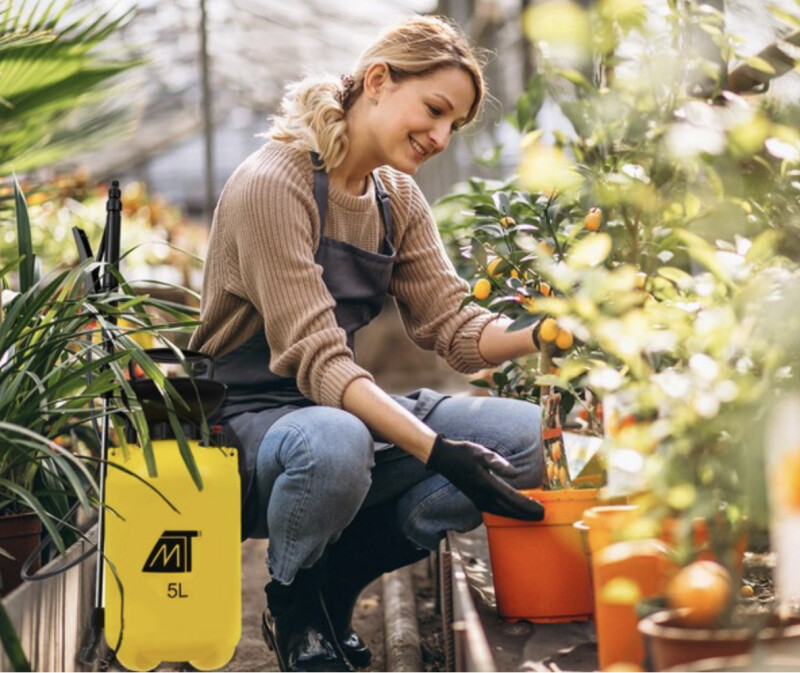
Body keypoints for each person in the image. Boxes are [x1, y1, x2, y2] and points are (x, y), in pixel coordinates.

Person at [190, 14, 552, 672]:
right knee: (335, 441)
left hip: (334, 411)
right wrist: (438, 449)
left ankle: (335, 584)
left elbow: (457, 329)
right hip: (241, 431)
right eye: (435, 110)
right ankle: (295, 602)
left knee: (521, 438)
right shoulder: (275, 184)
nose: (441, 137)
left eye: (455, 126)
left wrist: (548, 332)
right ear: (379, 81)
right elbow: (323, 364)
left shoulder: (397, 198)